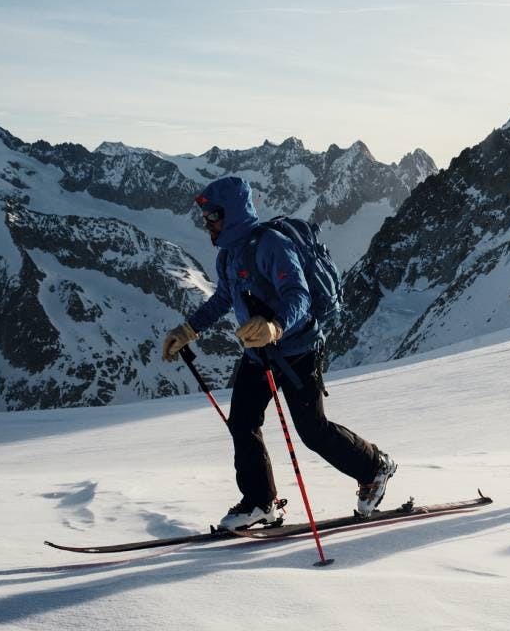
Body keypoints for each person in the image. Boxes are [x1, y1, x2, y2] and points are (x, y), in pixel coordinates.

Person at [161, 176, 396, 529]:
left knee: (313, 431)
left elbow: (298, 295)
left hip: (297, 351)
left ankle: (375, 467)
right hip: (259, 355)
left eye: (213, 216)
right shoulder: (228, 255)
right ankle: (260, 501)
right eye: (205, 217)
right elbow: (224, 298)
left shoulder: (271, 245)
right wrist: (188, 329)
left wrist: (275, 327)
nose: (207, 223)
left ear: (233, 213)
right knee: (242, 422)